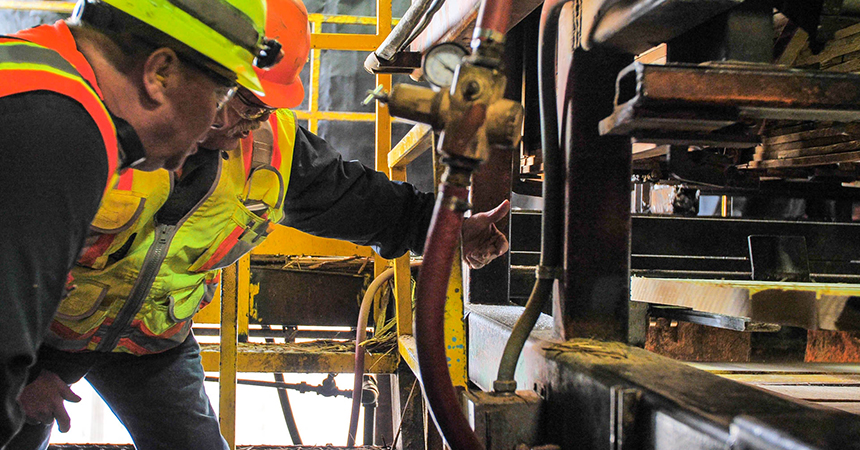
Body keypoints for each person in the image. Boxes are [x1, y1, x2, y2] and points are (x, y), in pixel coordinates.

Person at [7, 0, 510, 449]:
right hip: (44, 335)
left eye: (266, 108)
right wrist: (28, 370)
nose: (252, 121)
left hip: (149, 340)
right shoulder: (65, 128)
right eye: (236, 96)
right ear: (167, 71)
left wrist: (446, 230)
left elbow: (361, 200)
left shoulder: (271, 148)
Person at [0, 0, 274, 447]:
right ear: (160, 73)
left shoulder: (33, 75)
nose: (216, 125)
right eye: (220, 97)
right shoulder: (59, 128)